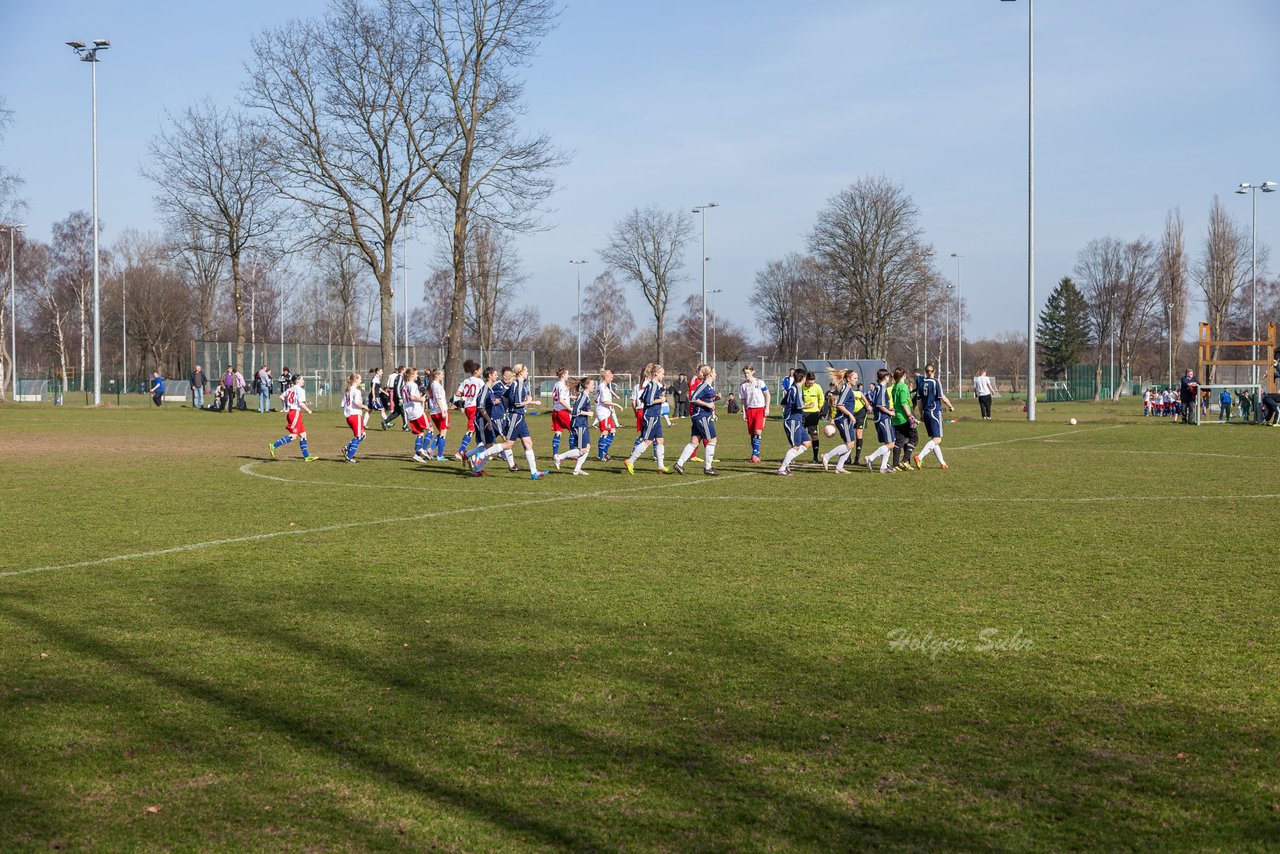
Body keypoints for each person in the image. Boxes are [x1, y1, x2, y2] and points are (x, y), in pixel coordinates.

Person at [471, 364, 547, 478]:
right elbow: (517, 403)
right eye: (526, 371)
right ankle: (482, 456)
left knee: (528, 443)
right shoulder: (518, 384)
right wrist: (531, 401)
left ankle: (534, 472)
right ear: (521, 372)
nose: (527, 373)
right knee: (507, 443)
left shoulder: (516, 384)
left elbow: (505, 396)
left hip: (520, 417)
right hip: (515, 417)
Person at [674, 365, 721, 476]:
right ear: (709, 374)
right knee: (712, 440)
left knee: (694, 442)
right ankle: (708, 468)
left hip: (700, 416)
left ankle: (679, 464)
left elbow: (706, 399)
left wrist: (715, 399)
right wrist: (708, 404)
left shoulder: (708, 387)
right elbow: (694, 398)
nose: (715, 374)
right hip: (702, 416)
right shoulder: (703, 385)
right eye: (714, 372)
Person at [624, 363, 670, 474]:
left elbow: (643, 398)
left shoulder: (652, 385)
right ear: (656, 373)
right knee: (647, 441)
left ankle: (661, 466)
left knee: (660, 440)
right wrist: (661, 400)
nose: (663, 376)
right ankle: (630, 461)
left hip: (655, 416)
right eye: (662, 374)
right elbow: (648, 401)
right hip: (650, 416)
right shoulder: (653, 385)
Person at [913, 363, 955, 470]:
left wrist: (921, 413)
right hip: (934, 412)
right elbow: (942, 397)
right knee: (937, 439)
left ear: (925, 371)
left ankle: (943, 463)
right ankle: (920, 457)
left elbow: (919, 401)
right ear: (934, 371)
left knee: (933, 439)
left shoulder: (921, 383)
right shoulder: (936, 382)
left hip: (926, 412)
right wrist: (950, 406)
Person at [553, 376, 596, 476]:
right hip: (579, 424)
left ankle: (577, 470)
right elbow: (575, 411)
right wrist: (587, 413)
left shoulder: (586, 396)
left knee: (587, 447)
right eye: (592, 384)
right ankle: (559, 457)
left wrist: (587, 411)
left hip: (582, 424)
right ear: (586, 386)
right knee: (583, 450)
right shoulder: (583, 396)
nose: (594, 386)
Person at [268, 374, 317, 461]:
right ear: (297, 381)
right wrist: (308, 410)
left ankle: (307, 457)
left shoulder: (290, 389)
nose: (303, 381)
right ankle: (274, 446)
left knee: (303, 435)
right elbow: (301, 403)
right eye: (302, 379)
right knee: (293, 436)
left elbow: (281, 396)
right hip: (295, 414)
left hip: (292, 413)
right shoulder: (300, 390)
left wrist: (289, 404)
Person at [820, 369, 861, 473]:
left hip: (845, 420)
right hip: (843, 420)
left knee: (850, 444)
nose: (857, 380)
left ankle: (839, 467)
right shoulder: (846, 389)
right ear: (848, 379)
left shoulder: (847, 388)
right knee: (849, 445)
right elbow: (840, 405)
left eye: (857, 378)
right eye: (854, 378)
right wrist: (850, 415)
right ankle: (827, 456)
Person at [776, 367, 811, 476]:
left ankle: (787, 460)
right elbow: (800, 406)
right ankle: (782, 468)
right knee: (796, 446)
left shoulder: (792, 388)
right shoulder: (797, 389)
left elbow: (783, 402)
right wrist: (809, 406)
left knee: (807, 443)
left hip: (797, 421)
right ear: (804, 378)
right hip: (792, 421)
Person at [864, 368, 897, 474]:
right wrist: (889, 412)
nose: (889, 378)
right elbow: (880, 405)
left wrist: (889, 409)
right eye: (888, 376)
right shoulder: (882, 388)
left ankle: (883, 467)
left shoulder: (877, 388)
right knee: (891, 444)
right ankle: (871, 458)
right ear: (885, 377)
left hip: (881, 417)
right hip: (883, 418)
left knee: (889, 442)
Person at [739, 365, 770, 463]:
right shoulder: (743, 385)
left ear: (753, 372)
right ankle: (756, 454)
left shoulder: (760, 382)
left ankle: (754, 454)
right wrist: (744, 413)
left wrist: (767, 408)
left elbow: (767, 394)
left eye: (748, 372)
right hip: (750, 410)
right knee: (752, 434)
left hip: (760, 409)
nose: (746, 375)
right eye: (745, 373)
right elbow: (743, 400)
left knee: (758, 431)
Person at [454, 360, 484, 460]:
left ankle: (481, 452)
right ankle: (460, 452)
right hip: (475, 407)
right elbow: (484, 392)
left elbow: (457, 393)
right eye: (480, 370)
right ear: (475, 371)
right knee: (471, 430)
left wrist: (466, 394)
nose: (481, 371)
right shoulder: (479, 381)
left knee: (477, 429)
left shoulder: (466, 381)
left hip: (467, 407)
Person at [890, 368, 918, 471]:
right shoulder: (903, 387)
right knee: (914, 438)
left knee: (900, 440)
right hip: (904, 418)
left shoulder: (894, 387)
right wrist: (910, 415)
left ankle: (895, 465)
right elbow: (903, 402)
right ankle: (905, 460)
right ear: (904, 375)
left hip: (896, 418)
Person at [594, 368, 623, 461]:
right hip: (603, 412)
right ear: (606, 377)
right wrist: (617, 405)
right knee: (605, 432)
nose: (612, 379)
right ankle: (601, 455)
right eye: (611, 377)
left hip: (605, 412)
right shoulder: (602, 387)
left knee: (613, 431)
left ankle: (604, 452)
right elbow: (605, 401)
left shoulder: (604, 386)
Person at [341, 372, 369, 462]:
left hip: (349, 416)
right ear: (356, 380)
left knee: (363, 435)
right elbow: (357, 403)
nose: (361, 380)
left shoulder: (348, 391)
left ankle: (347, 448)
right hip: (355, 415)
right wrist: (364, 406)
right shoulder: (356, 391)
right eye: (360, 379)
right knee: (358, 436)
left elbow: (342, 404)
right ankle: (349, 456)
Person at [801, 371, 825, 464]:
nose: (811, 384)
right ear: (805, 380)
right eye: (809, 382)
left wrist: (819, 408)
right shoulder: (801, 387)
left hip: (813, 415)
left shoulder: (817, 387)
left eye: (813, 382)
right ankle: (793, 456)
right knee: (798, 435)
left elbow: (821, 398)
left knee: (814, 436)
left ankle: (815, 458)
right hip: (802, 414)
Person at [427, 367, 450, 460]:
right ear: (437, 375)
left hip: (433, 412)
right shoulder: (437, 385)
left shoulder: (432, 385)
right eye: (441, 374)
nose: (443, 375)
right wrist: (443, 411)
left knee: (441, 432)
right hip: (440, 411)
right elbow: (438, 399)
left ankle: (431, 449)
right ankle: (440, 455)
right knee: (443, 433)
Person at [550, 367, 573, 457]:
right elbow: (561, 400)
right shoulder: (562, 386)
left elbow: (557, 397)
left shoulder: (556, 384)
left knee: (558, 432)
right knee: (573, 430)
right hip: (563, 411)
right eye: (567, 374)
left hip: (556, 411)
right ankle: (572, 453)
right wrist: (570, 408)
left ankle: (555, 454)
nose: (568, 375)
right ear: (563, 375)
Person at [382, 365, 405, 430]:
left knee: (397, 412)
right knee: (403, 411)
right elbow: (397, 388)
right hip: (398, 397)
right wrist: (400, 398)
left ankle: (385, 421)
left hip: (395, 396)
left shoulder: (396, 377)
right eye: (404, 370)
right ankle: (405, 427)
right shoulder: (400, 377)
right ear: (402, 370)